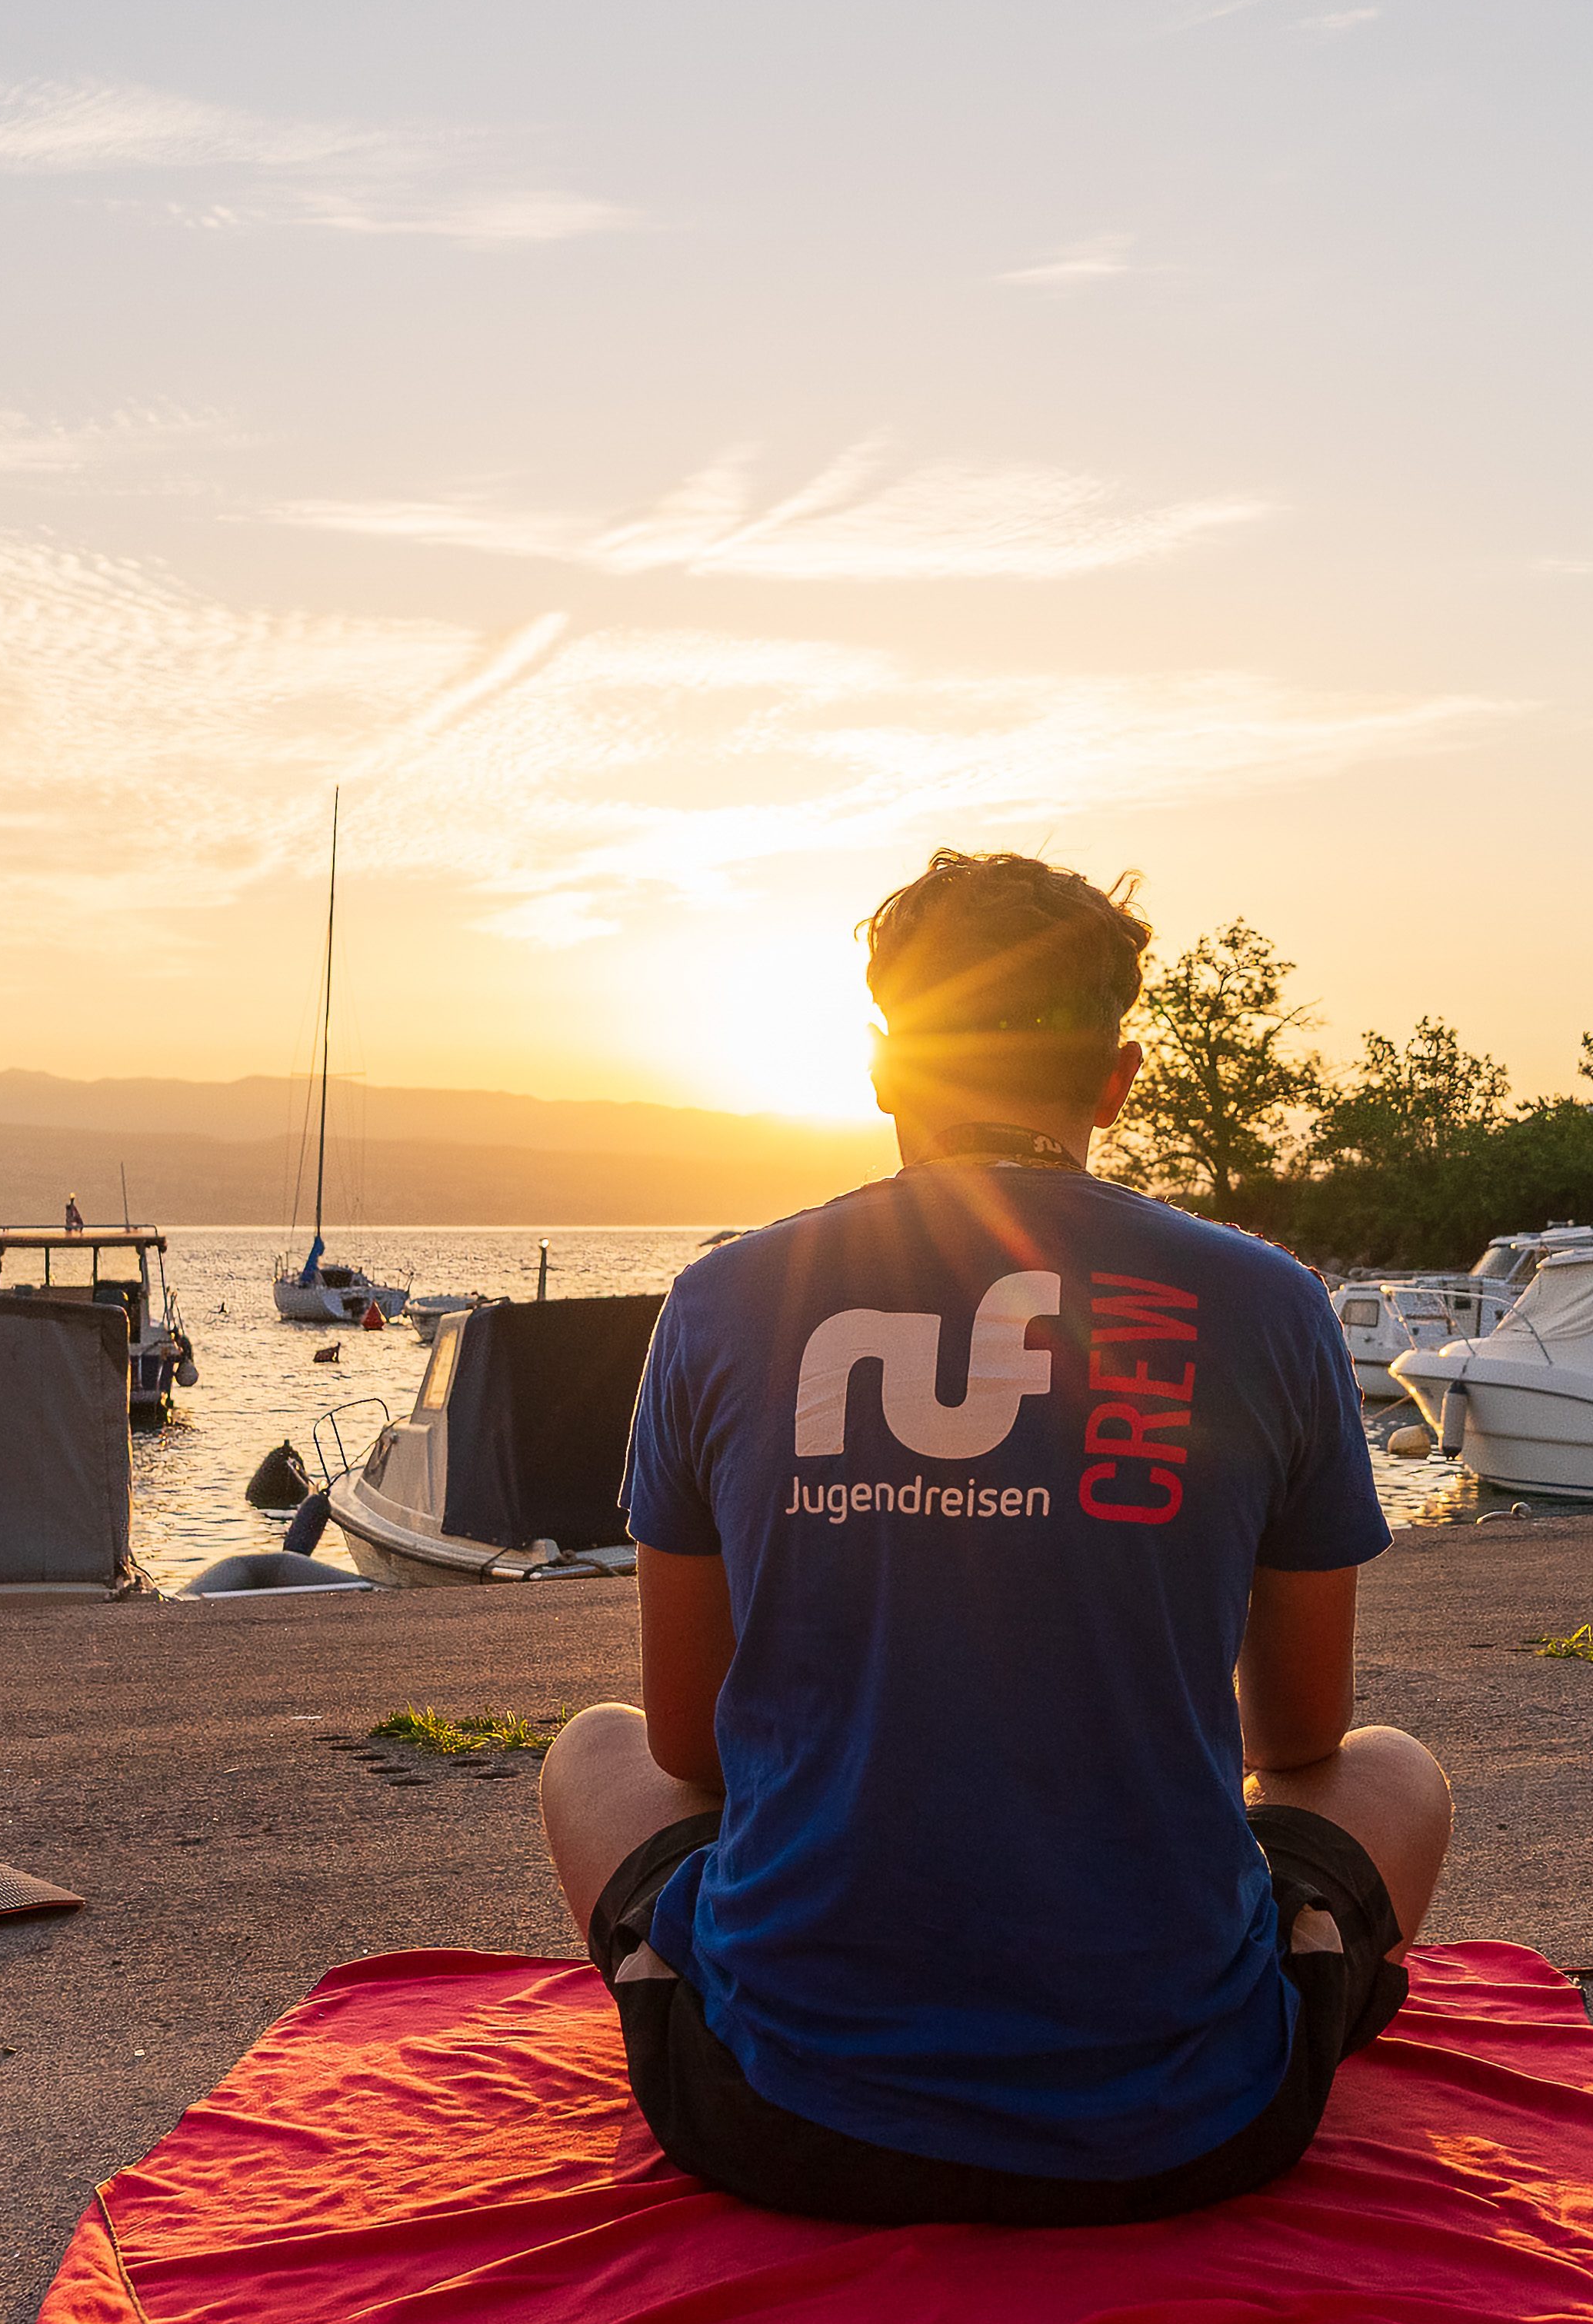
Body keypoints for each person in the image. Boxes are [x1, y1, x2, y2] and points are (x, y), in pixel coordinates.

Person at [539, 850, 1451, 2223]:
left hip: (770, 2115)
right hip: (1186, 2125)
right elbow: (1295, 1738)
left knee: (594, 1750)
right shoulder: (1265, 1303)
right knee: (1391, 1774)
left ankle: (713, 1976)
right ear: (1115, 1079)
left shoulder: (720, 1302)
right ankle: (1263, 1961)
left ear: (882, 1070)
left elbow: (686, 1744)